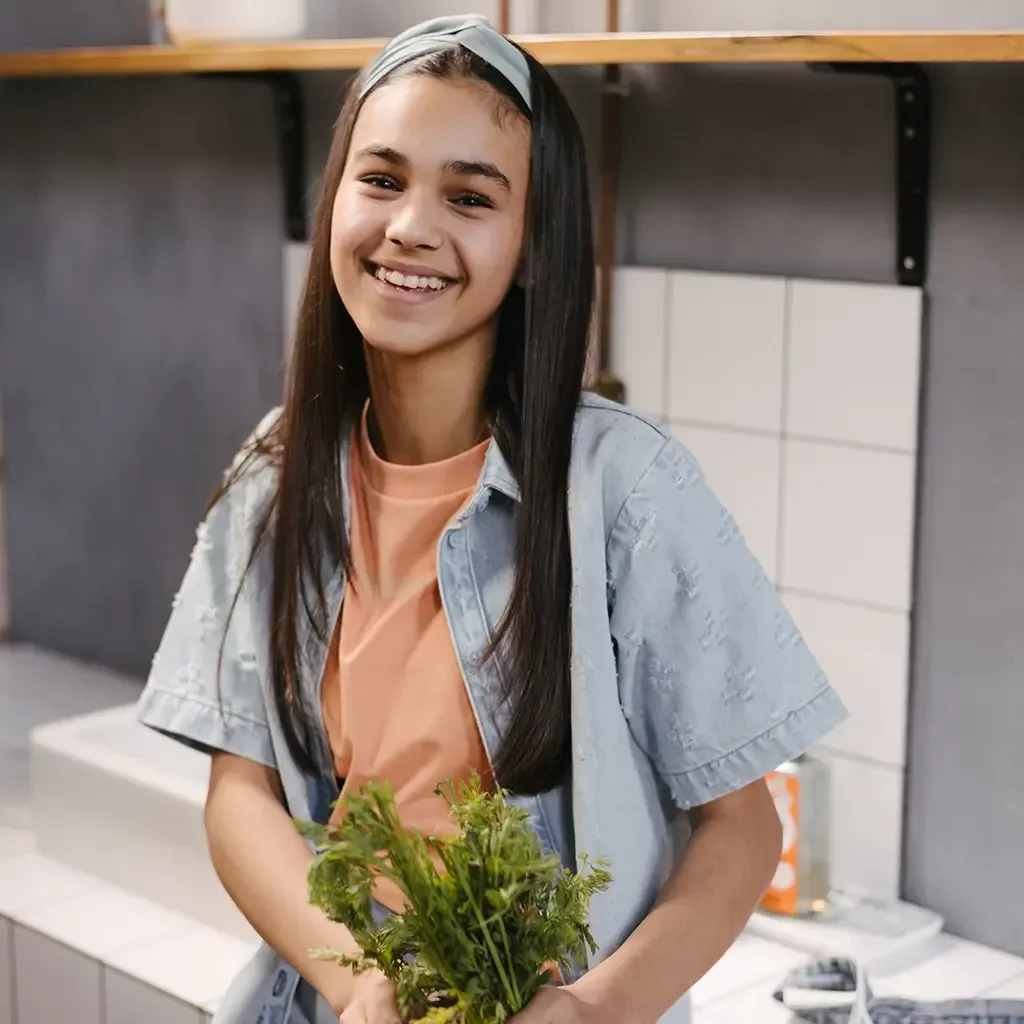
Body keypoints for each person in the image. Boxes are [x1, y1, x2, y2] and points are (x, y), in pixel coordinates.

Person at [137, 14, 847, 1024]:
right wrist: (352, 980)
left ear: (529, 245)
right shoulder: (274, 469)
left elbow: (741, 825)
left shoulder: (627, 488)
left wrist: (593, 1009)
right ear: (335, 196)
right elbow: (239, 793)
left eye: (469, 196)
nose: (410, 226)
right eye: (379, 179)